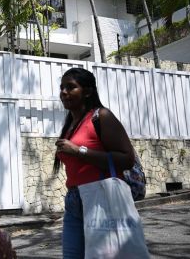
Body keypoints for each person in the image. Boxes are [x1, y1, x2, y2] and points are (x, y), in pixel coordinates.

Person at [54, 68, 135, 258]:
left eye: (71, 87)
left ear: (88, 91)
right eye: (62, 87)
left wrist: (78, 151)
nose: (64, 92)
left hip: (100, 198)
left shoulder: (102, 117)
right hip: (74, 200)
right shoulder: (70, 125)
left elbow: (127, 159)